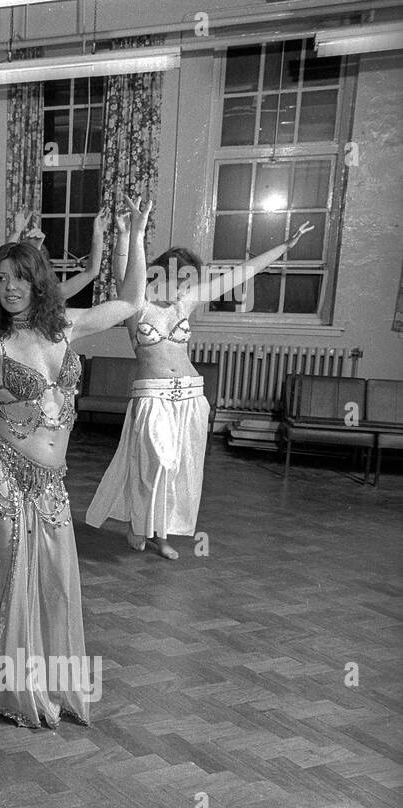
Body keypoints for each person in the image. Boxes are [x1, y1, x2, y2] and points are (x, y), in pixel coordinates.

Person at [0, 196, 150, 728]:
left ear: (39, 283)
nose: (9, 287)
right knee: (7, 575)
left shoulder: (66, 328)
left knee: (54, 582)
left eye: (20, 277)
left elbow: (130, 300)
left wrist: (134, 234)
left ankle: (32, 674)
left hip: (52, 482)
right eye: (0, 278)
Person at [85, 219, 316, 559]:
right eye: (175, 277)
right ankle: (138, 524)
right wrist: (124, 233)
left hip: (191, 395)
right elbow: (122, 271)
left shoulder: (185, 303)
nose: (181, 286)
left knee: (176, 469)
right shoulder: (136, 304)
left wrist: (284, 247)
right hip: (153, 397)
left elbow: (239, 275)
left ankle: (160, 535)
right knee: (154, 464)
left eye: (187, 280)